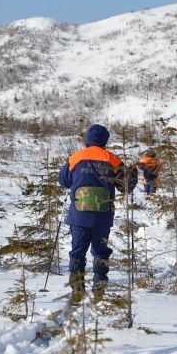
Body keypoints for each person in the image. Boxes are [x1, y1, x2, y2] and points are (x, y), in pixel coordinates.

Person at [59, 124, 137, 301]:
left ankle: (77, 290)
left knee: (77, 252)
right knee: (100, 252)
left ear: (88, 139)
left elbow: (64, 181)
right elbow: (126, 186)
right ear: (105, 141)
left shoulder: (76, 157)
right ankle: (99, 291)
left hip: (79, 214)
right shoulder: (113, 159)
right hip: (103, 215)